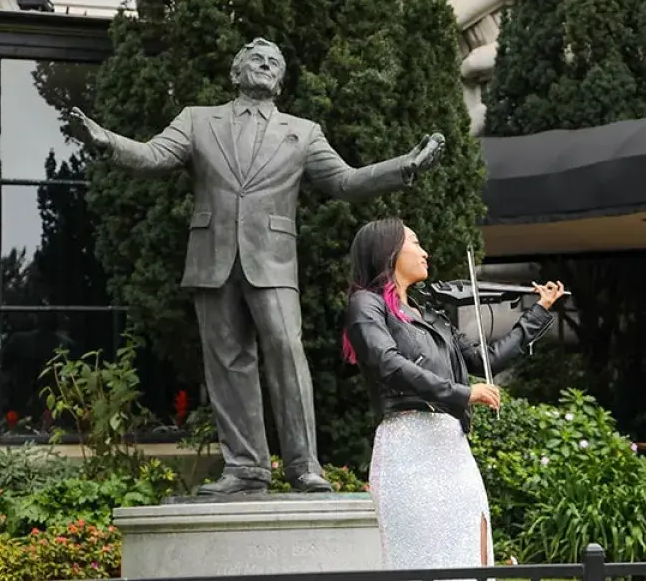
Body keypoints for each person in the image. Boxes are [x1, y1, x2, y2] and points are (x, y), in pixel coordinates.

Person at [68, 38, 445, 496]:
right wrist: (104, 139)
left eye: (273, 62)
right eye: (256, 59)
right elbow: (152, 156)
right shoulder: (197, 120)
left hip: (273, 261)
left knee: (287, 351)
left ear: (280, 80)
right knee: (228, 362)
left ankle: (304, 466)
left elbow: (345, 181)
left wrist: (404, 166)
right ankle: (245, 468)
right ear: (236, 72)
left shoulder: (302, 132)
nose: (265, 65)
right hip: (212, 259)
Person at [342, 218, 565, 574]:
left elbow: (485, 360)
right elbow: (388, 364)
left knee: (470, 551)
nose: (425, 252)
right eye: (415, 242)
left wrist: (538, 312)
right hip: (408, 448)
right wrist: (461, 394)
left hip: (452, 449)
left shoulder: (432, 316)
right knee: (425, 560)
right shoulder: (366, 304)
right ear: (389, 250)